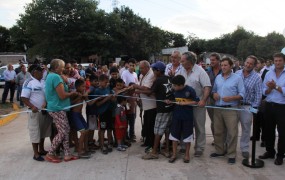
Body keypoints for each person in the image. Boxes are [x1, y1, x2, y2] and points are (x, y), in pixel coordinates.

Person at [210, 57, 245, 165]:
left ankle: (231, 154)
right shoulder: (218, 78)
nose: (223, 67)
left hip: (231, 109)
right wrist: (214, 94)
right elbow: (214, 90)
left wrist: (231, 98)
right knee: (218, 131)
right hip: (218, 108)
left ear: (231, 66)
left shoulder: (237, 78)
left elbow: (242, 94)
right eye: (222, 65)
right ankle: (220, 151)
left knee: (232, 133)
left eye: (226, 65)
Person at [177, 51, 211, 157]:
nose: (180, 62)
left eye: (182, 60)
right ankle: (183, 146)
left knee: (199, 126)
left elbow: (207, 87)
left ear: (190, 61)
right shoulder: (181, 70)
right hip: (184, 104)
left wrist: (203, 100)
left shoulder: (200, 71)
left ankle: (199, 148)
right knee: (184, 125)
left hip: (197, 104)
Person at [45, 59, 78, 163]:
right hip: (57, 108)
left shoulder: (50, 76)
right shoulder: (55, 77)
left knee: (66, 130)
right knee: (63, 132)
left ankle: (67, 154)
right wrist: (72, 93)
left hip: (57, 107)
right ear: (56, 68)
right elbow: (62, 95)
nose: (63, 69)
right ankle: (50, 153)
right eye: (62, 67)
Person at [142, 61, 174, 160]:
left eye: (154, 70)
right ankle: (167, 150)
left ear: (158, 71)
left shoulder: (158, 80)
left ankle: (154, 152)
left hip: (162, 109)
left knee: (157, 131)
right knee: (167, 130)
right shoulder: (169, 78)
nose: (153, 72)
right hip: (170, 108)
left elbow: (150, 92)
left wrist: (137, 90)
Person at [21, 65, 52, 161]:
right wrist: (32, 106)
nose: (43, 73)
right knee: (35, 132)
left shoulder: (43, 82)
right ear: (35, 72)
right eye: (40, 72)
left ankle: (41, 149)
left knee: (43, 131)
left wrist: (45, 102)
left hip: (44, 111)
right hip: (34, 112)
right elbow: (24, 98)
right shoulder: (28, 82)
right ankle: (36, 153)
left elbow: (46, 94)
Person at [259, 53, 285, 165]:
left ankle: (280, 155)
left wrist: (276, 87)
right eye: (276, 60)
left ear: (284, 61)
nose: (277, 62)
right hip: (269, 105)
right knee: (268, 130)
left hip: (282, 107)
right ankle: (270, 152)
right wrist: (269, 89)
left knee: (282, 132)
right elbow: (263, 90)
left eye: (280, 60)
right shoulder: (269, 73)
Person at [167, 75, 199, 163]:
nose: (173, 87)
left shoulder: (190, 90)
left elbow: (196, 101)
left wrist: (185, 103)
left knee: (187, 136)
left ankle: (187, 155)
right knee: (174, 136)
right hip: (176, 117)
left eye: (175, 85)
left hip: (187, 117)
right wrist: (169, 102)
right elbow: (172, 100)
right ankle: (174, 154)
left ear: (181, 85)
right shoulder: (174, 91)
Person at [236, 55, 262, 159]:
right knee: (232, 128)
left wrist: (253, 110)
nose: (248, 65)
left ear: (254, 65)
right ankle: (229, 147)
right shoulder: (237, 73)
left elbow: (258, 95)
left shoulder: (257, 78)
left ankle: (245, 148)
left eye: (251, 63)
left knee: (246, 129)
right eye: (247, 62)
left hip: (247, 107)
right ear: (244, 62)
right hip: (235, 105)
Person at [132, 60, 157, 153]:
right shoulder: (142, 75)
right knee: (146, 124)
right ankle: (147, 141)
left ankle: (151, 144)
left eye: (142, 68)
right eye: (140, 68)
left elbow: (147, 88)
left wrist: (136, 87)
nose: (140, 70)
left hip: (152, 105)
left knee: (151, 126)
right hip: (145, 104)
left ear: (147, 67)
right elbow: (140, 85)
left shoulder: (151, 74)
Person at [95, 74, 116, 154]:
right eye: (105, 82)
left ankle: (110, 143)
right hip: (102, 113)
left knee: (109, 128)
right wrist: (106, 98)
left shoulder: (108, 88)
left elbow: (113, 100)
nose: (107, 84)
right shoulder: (97, 91)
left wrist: (113, 97)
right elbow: (97, 104)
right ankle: (102, 145)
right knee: (102, 130)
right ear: (100, 82)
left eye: (107, 82)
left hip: (109, 112)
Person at [70, 79, 91, 159]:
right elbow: (70, 104)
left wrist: (86, 97)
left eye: (85, 86)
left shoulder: (83, 93)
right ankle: (79, 151)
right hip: (74, 114)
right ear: (77, 87)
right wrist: (78, 98)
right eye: (83, 86)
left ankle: (85, 148)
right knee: (82, 132)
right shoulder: (74, 94)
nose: (84, 88)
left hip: (79, 114)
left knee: (86, 130)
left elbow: (89, 102)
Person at [206, 53, 222, 145]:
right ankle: (216, 139)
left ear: (218, 61)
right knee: (213, 121)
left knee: (221, 121)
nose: (211, 62)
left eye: (213, 60)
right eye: (211, 60)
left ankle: (222, 139)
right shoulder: (207, 72)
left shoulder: (224, 70)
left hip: (222, 99)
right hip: (210, 99)